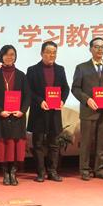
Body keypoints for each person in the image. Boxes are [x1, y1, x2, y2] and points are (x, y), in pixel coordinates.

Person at [71, 37, 103, 181]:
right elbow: (75, 88)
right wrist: (87, 100)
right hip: (88, 111)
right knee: (86, 143)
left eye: (102, 47)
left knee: (102, 142)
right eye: (96, 46)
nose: (99, 49)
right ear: (90, 49)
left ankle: (99, 170)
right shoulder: (82, 67)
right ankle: (84, 170)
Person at [26, 41, 70, 182]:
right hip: (39, 112)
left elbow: (66, 88)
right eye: (48, 52)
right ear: (42, 53)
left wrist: (62, 100)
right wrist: (40, 101)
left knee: (54, 144)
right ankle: (40, 172)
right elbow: (28, 90)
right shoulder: (32, 70)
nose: (52, 55)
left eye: (54, 53)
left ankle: (52, 171)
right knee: (38, 144)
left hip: (54, 113)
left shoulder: (60, 69)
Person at [0, 45, 30, 185]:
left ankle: (13, 172)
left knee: (15, 144)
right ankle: (5, 172)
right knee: (4, 144)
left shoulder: (21, 75)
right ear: (1, 56)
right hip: (2, 116)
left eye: (12, 54)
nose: (9, 57)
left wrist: (22, 111)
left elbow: (27, 96)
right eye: (6, 54)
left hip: (17, 116)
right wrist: (0, 111)